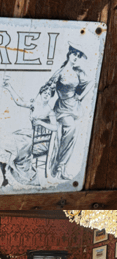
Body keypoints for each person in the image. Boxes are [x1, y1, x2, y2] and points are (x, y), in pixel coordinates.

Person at [0, 80, 58, 188]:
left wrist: (41, 122)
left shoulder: (50, 111)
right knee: (8, 138)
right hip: (27, 134)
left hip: (37, 140)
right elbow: (19, 102)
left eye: (49, 94)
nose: (46, 95)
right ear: (41, 93)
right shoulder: (34, 104)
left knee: (16, 145)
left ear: (51, 97)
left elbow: (55, 127)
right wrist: (9, 88)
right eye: (45, 92)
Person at [43, 43, 92, 180]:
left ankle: (62, 166)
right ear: (69, 54)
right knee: (70, 128)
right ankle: (58, 165)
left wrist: (80, 96)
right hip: (62, 108)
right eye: (74, 54)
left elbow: (89, 83)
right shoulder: (59, 72)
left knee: (73, 133)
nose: (76, 58)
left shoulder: (79, 72)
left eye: (78, 56)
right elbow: (48, 89)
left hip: (74, 106)